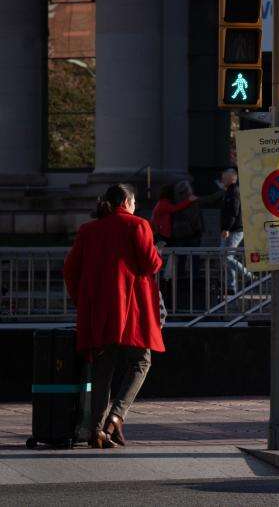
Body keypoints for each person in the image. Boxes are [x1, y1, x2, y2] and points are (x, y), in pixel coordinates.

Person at [63, 184, 164, 449]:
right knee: (142, 361)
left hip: (98, 312)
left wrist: (83, 300)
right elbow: (151, 263)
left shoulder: (88, 230)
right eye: (134, 201)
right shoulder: (138, 225)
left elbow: (70, 270)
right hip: (131, 310)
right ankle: (116, 417)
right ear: (128, 201)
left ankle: (96, 430)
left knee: (101, 371)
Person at [217, 169, 249, 290]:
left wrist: (226, 228)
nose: (222, 180)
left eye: (224, 178)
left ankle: (247, 275)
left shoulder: (234, 191)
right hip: (230, 229)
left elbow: (233, 212)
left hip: (234, 230)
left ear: (232, 178)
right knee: (225, 257)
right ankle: (231, 286)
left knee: (226, 257)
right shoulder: (229, 191)